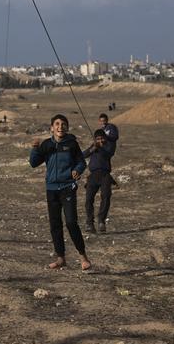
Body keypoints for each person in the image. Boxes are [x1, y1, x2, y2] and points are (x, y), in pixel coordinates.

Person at [28, 114, 92, 271]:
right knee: (55, 224)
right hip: (51, 189)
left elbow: (81, 162)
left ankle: (83, 256)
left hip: (67, 187)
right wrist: (35, 148)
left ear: (67, 127)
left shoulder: (71, 144)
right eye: (57, 124)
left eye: (63, 124)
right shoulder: (46, 145)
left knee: (71, 222)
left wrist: (77, 170)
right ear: (51, 128)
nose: (60, 126)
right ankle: (60, 258)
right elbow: (34, 163)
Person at [82, 130, 116, 234]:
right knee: (89, 199)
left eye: (102, 138)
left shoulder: (108, 146)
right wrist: (93, 148)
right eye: (98, 139)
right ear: (95, 139)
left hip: (105, 175)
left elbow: (109, 154)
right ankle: (89, 223)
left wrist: (99, 147)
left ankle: (101, 220)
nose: (100, 140)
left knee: (106, 196)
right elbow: (83, 155)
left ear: (105, 138)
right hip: (93, 175)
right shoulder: (93, 146)